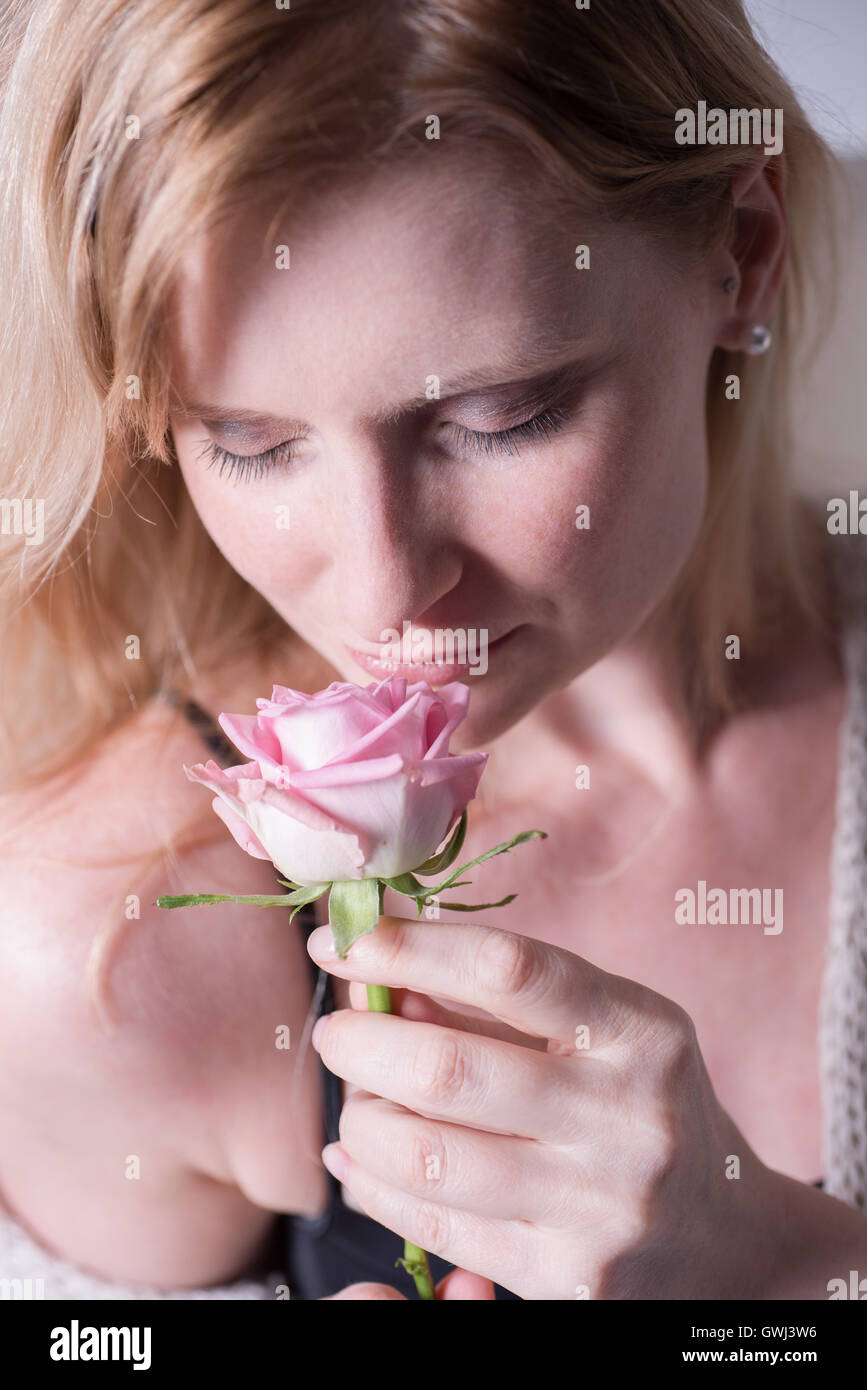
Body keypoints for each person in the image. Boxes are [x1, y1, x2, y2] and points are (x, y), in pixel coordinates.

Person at [0, 0, 865, 1301]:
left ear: (741, 250)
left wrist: (799, 1278)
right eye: (249, 440)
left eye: (499, 414)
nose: (386, 585)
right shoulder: (113, 947)